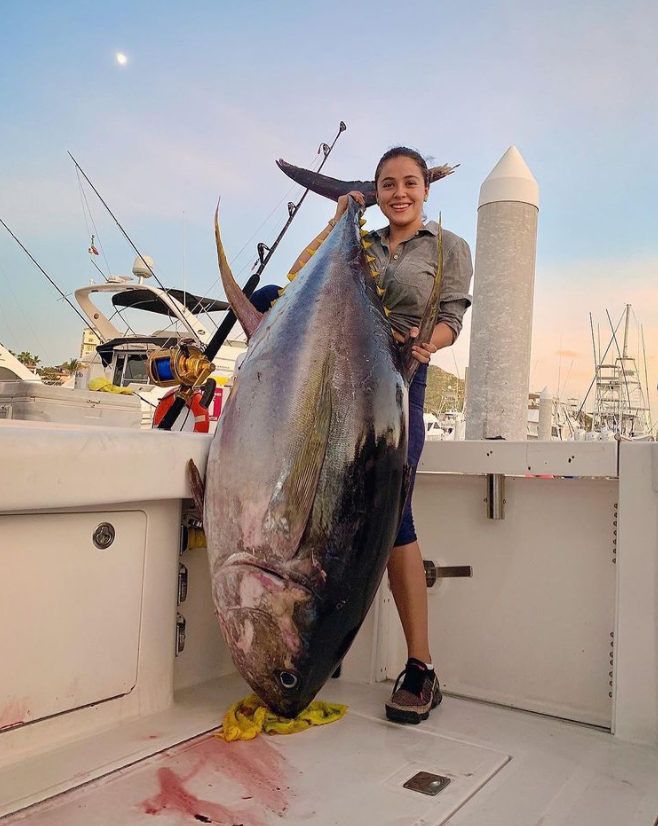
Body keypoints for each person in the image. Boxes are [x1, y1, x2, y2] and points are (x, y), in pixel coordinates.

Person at [251, 146, 473, 724]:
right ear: (376, 192)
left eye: (410, 183)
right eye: (387, 185)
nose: (399, 193)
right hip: (330, 380)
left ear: (425, 190)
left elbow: (451, 313)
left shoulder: (448, 248)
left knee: (392, 515)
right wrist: (341, 213)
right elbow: (302, 285)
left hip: (396, 383)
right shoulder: (362, 244)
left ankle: (420, 668)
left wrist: (434, 344)